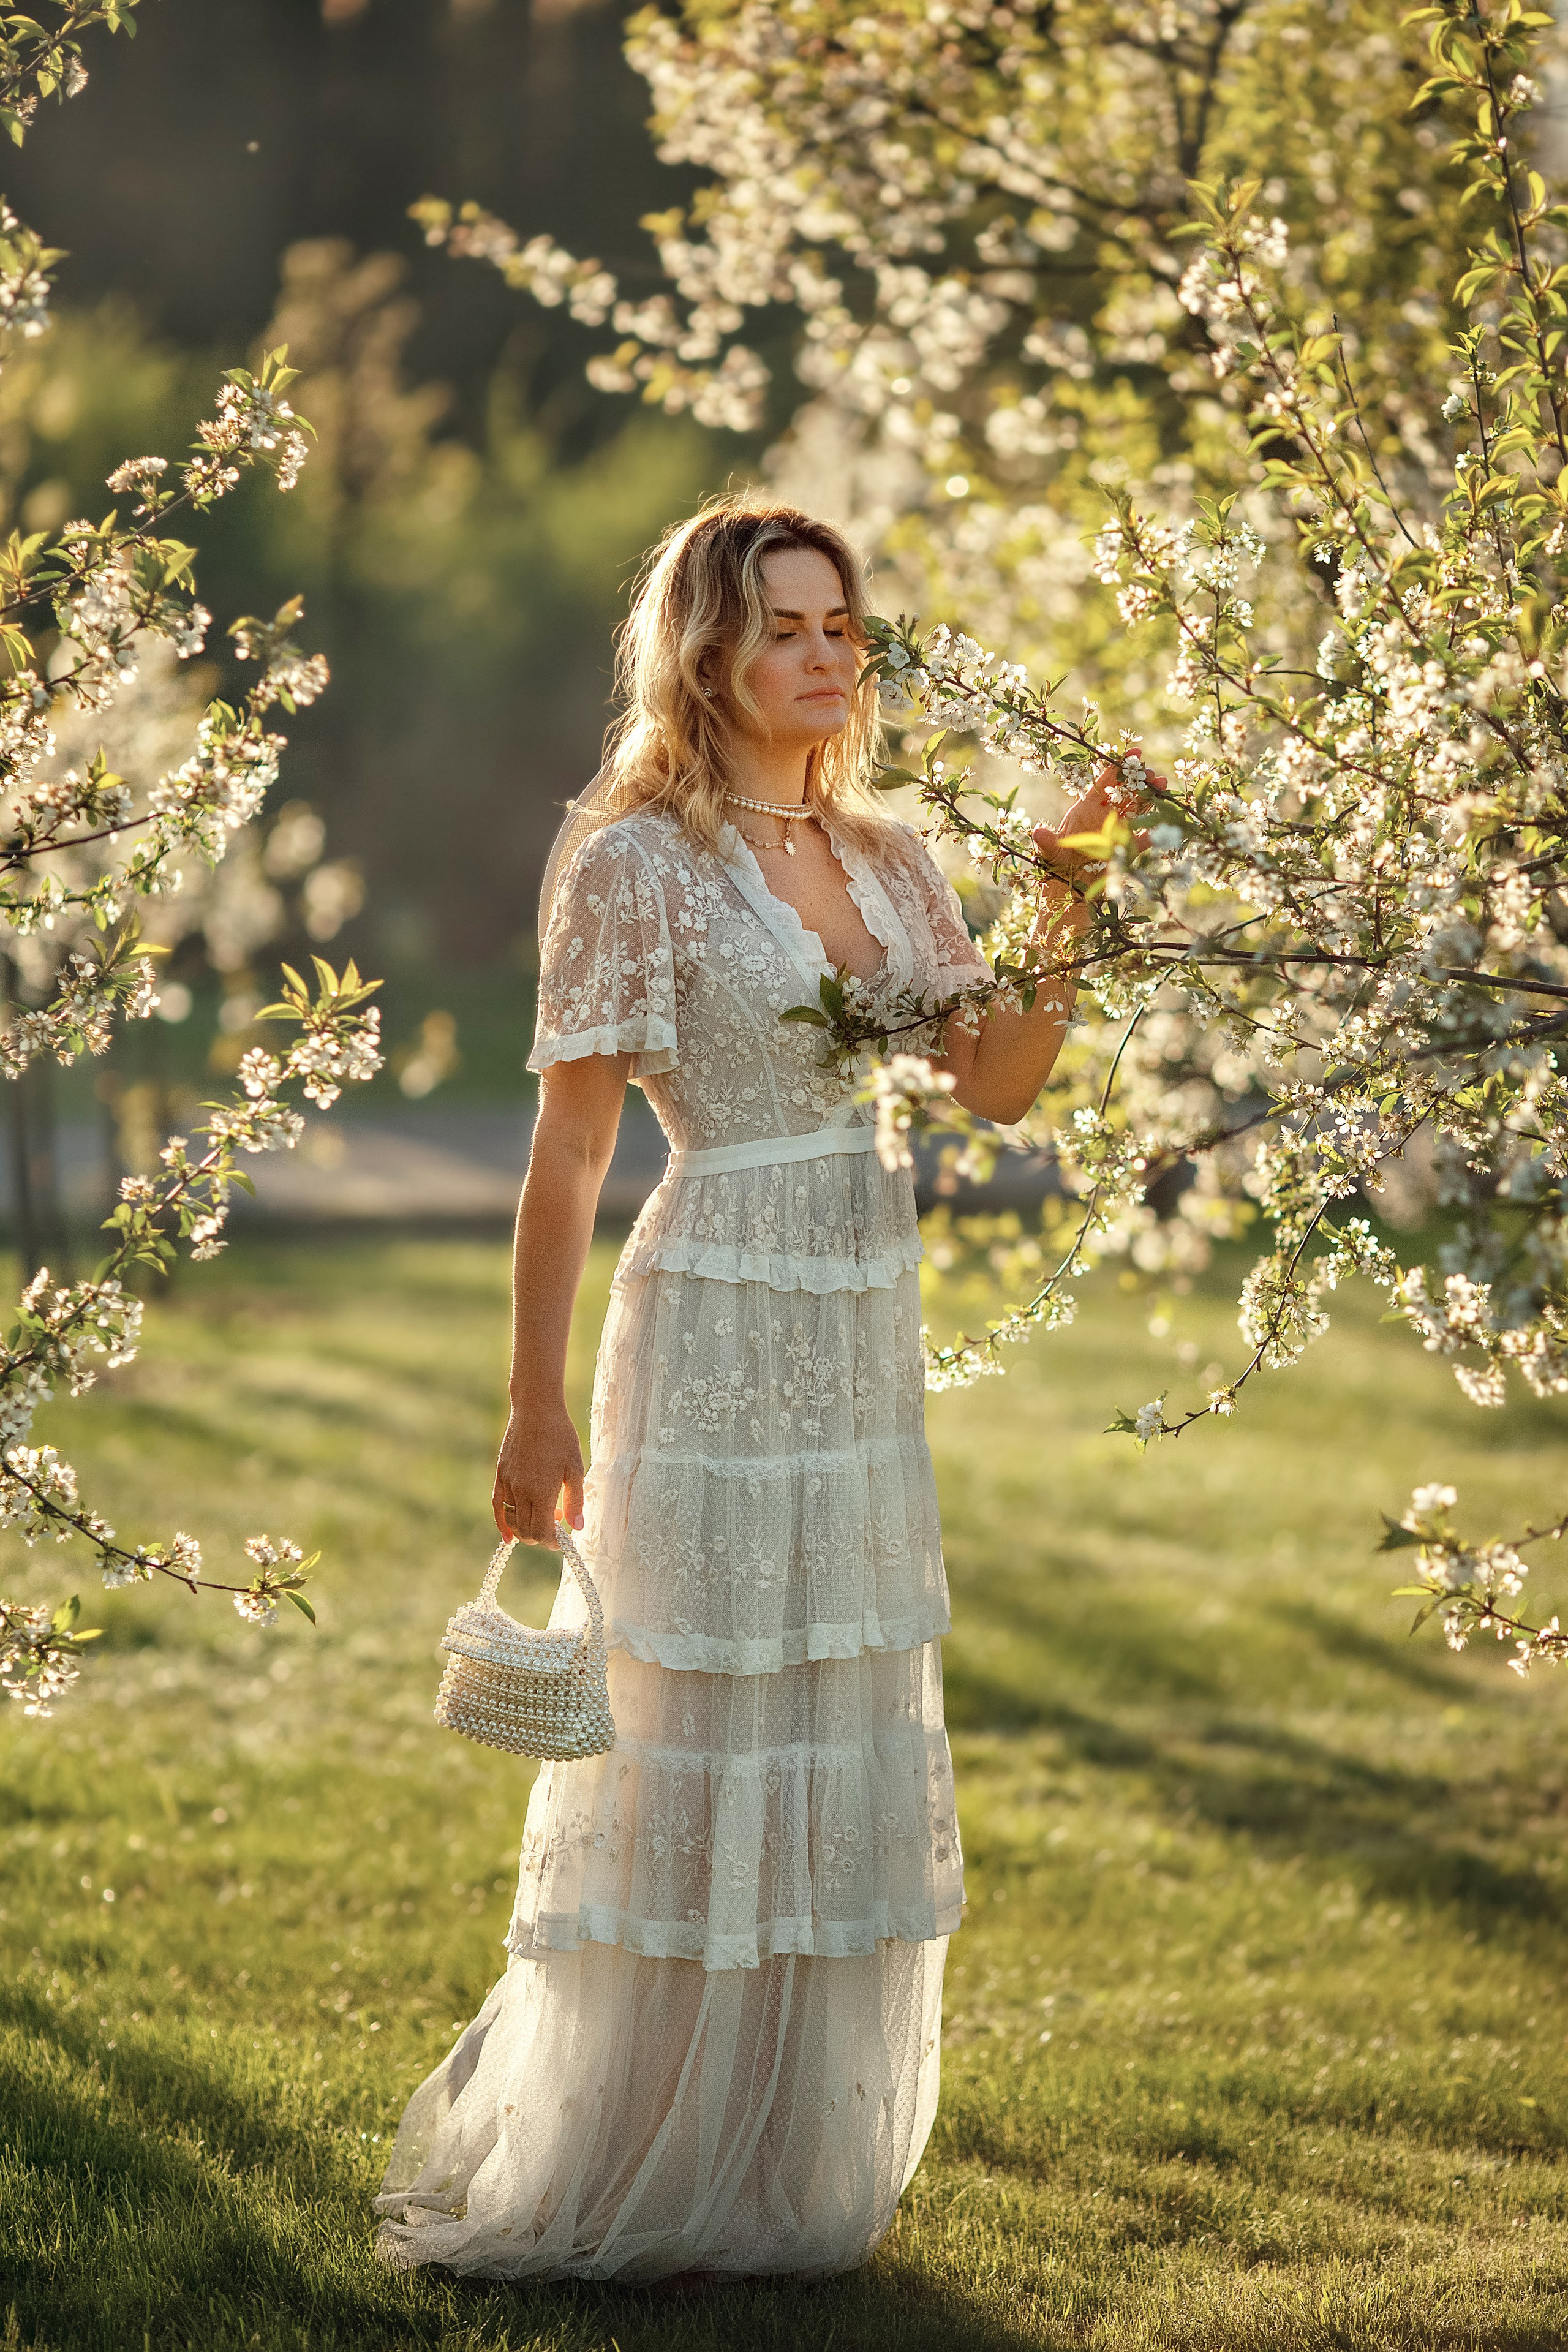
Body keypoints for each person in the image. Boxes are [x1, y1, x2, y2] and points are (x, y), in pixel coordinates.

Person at [373, 492, 1136, 2284]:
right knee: (695, 1731)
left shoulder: (889, 855)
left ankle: (782, 2163)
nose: (821, 654)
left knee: (830, 1711)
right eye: (784, 624)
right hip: (709, 1308)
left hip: (858, 1328)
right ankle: (643, 2154)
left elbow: (1003, 1080)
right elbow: (566, 1157)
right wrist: (532, 1407)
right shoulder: (630, 855)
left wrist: (1070, 891)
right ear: (704, 648)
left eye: (839, 625)